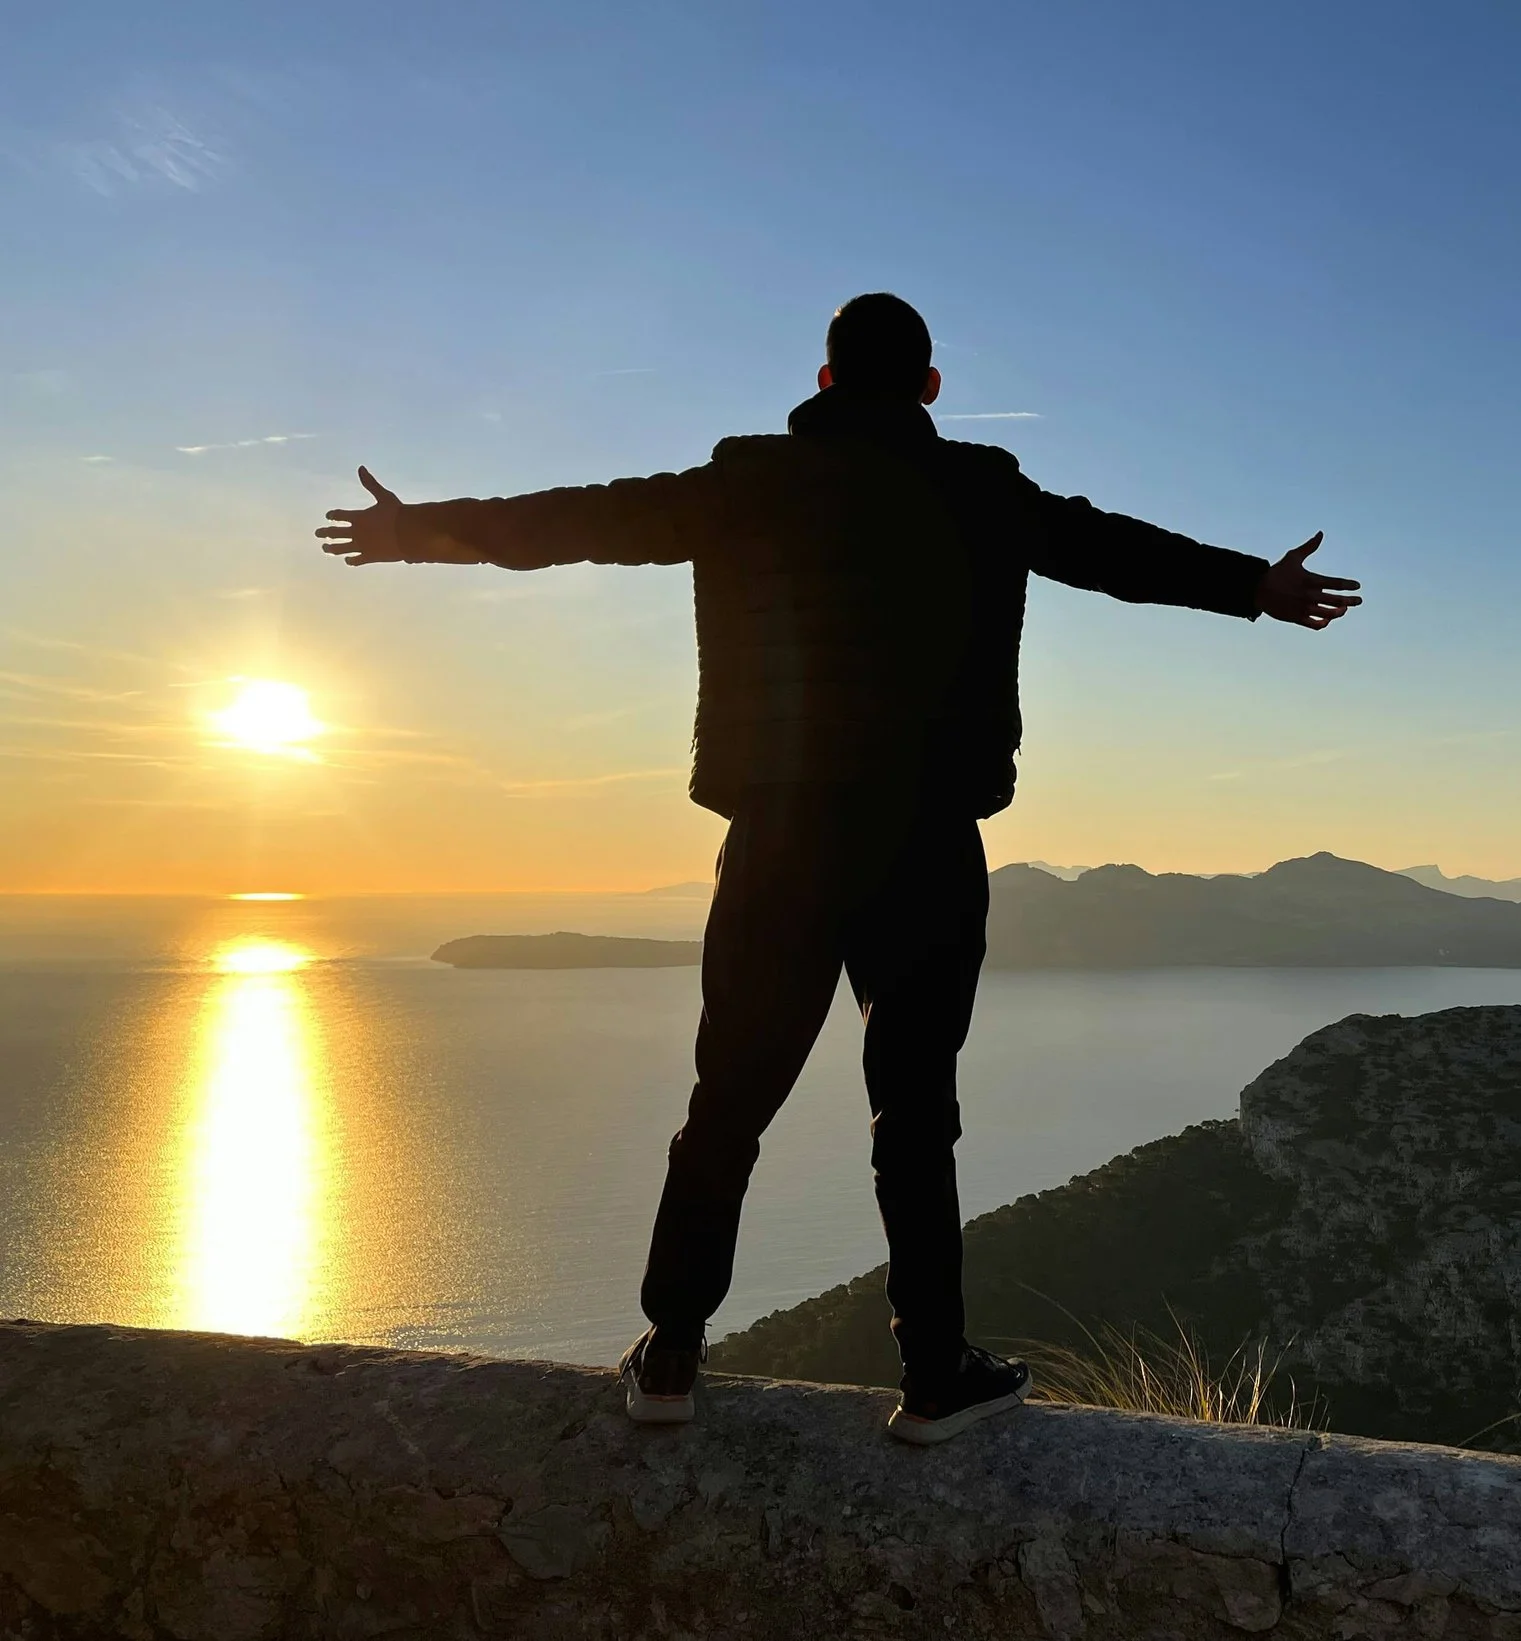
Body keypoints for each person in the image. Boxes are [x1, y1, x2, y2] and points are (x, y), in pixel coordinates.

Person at [317, 293, 1360, 1442]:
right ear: (929, 388)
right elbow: (1111, 549)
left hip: (777, 839)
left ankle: (669, 1357)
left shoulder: (745, 484)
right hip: (924, 839)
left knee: (728, 1101)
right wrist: (1254, 586)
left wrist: (421, 530)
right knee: (915, 1112)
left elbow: (581, 520)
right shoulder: (980, 489)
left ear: (821, 383)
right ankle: (932, 1375)